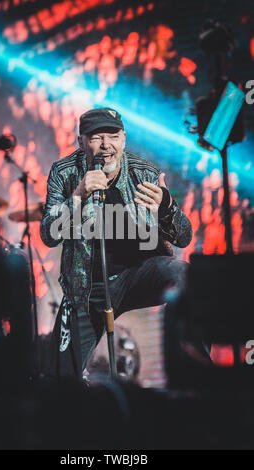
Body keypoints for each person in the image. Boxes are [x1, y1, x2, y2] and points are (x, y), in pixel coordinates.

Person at [40, 107, 192, 378]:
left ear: (124, 139)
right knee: (60, 377)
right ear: (81, 142)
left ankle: (195, 372)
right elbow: (49, 235)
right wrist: (78, 195)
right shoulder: (63, 173)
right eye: (97, 137)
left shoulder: (144, 173)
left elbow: (183, 236)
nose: (106, 145)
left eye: (113, 136)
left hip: (139, 274)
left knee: (183, 274)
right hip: (87, 286)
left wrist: (166, 206)